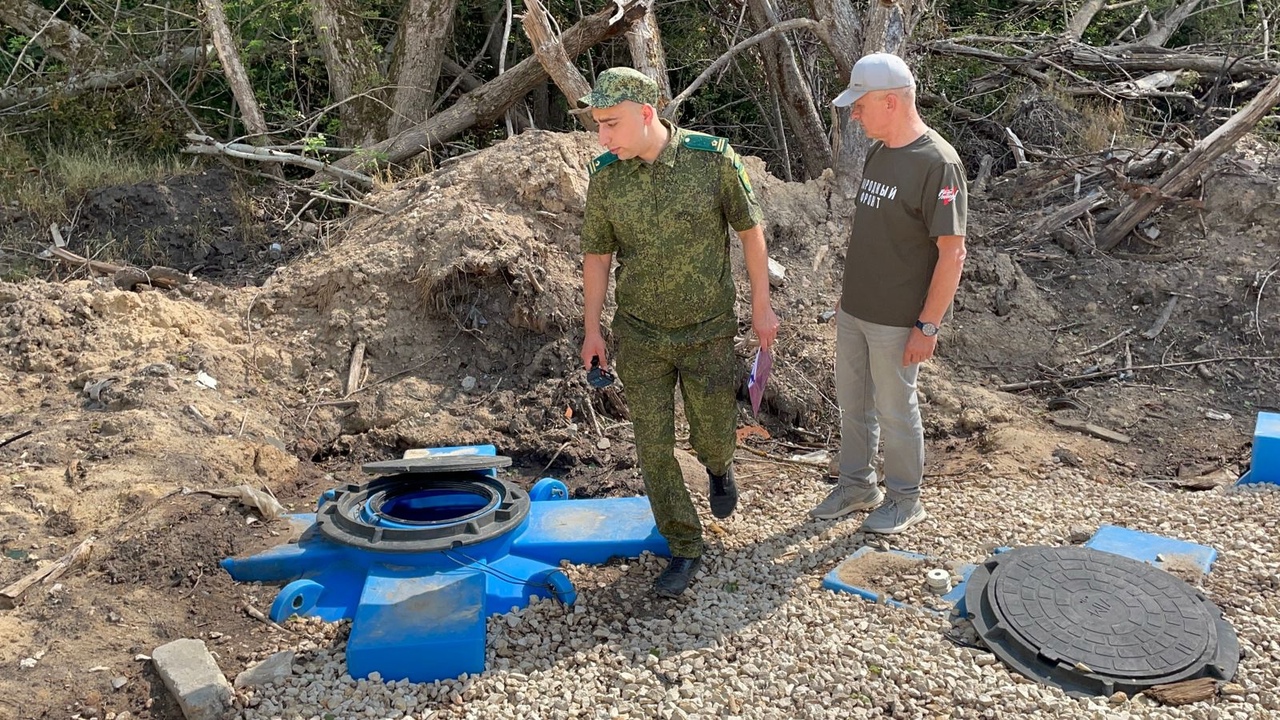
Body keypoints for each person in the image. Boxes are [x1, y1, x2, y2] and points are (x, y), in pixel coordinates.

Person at [577, 67, 780, 597]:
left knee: (712, 431)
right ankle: (685, 544)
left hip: (708, 331)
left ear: (647, 115)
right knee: (653, 446)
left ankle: (718, 468)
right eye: (598, 125)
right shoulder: (606, 176)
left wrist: (762, 307)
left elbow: (751, 234)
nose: (603, 137)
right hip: (640, 334)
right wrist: (592, 329)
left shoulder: (712, 160)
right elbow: (597, 257)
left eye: (612, 124)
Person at [808, 53, 968, 534]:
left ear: (893, 102)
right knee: (853, 404)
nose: (854, 115)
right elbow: (874, 232)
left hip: (899, 319)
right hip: (857, 309)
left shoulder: (938, 164)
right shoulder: (880, 150)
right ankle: (857, 484)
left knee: (897, 410)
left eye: (861, 105)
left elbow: (952, 254)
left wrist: (928, 324)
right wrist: (846, 297)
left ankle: (905, 497)